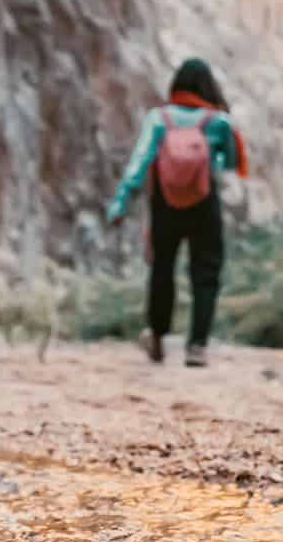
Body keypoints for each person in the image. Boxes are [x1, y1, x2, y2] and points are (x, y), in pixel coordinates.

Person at [106, 59, 249, 368]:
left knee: (162, 269)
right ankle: (196, 346)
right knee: (206, 272)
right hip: (203, 202)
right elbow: (231, 163)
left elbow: (140, 161)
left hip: (165, 203)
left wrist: (121, 202)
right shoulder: (219, 121)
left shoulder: (159, 118)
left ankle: (157, 338)